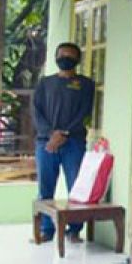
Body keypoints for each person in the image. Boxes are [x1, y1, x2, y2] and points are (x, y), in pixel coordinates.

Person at [32, 42, 94, 244]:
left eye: (70, 55)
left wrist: (64, 133)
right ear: (56, 59)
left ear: (77, 59)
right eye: (62, 55)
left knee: (76, 187)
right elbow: (36, 111)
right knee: (45, 188)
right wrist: (52, 134)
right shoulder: (45, 83)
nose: (65, 58)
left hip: (73, 142)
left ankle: (75, 230)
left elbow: (85, 113)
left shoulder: (85, 84)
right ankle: (46, 230)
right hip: (46, 143)